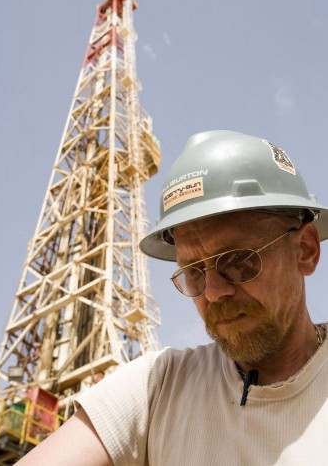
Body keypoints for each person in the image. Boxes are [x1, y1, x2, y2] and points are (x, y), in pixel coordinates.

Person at [17, 130, 328, 465]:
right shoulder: (158, 387)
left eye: (238, 261)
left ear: (305, 251)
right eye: (193, 272)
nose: (212, 291)